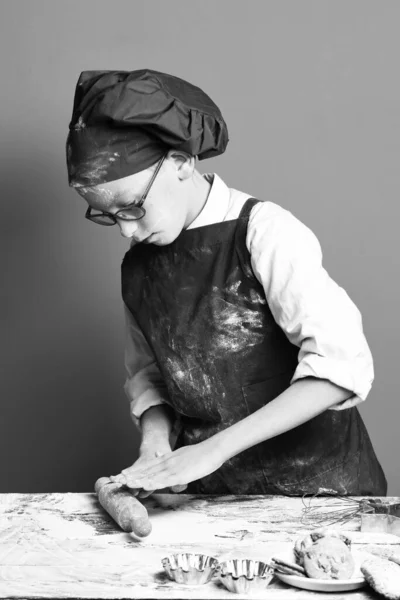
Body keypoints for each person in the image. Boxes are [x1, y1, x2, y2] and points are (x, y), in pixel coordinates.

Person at [67, 69, 387, 497]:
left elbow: (340, 367)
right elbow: (149, 376)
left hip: (322, 496)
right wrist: (155, 443)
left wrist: (214, 450)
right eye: (107, 216)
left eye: (133, 207)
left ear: (181, 162)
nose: (125, 231)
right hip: (215, 503)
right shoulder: (138, 267)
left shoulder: (264, 232)